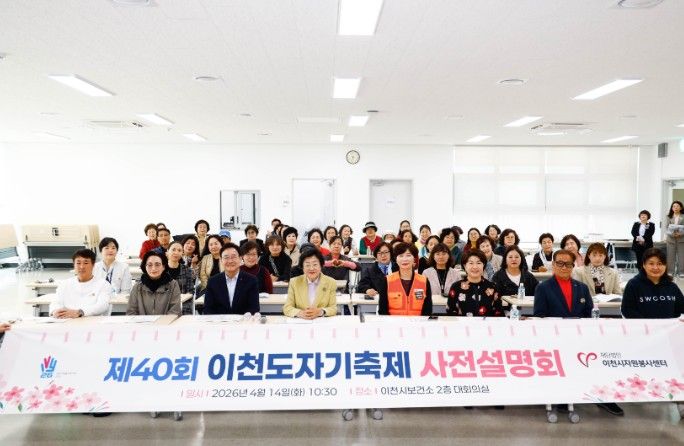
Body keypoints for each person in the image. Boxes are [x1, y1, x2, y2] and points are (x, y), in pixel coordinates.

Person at [622, 247, 684, 318]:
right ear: (644, 265)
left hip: (669, 325)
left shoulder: (672, 286)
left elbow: (681, 308)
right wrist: (649, 323)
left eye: (660, 264)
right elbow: (627, 310)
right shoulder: (633, 285)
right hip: (643, 325)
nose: (655, 267)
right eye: (651, 263)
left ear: (665, 266)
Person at [50, 249, 112, 318]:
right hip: (67, 321)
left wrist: (80, 312)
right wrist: (55, 311)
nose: (82, 267)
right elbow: (55, 302)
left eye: (86, 263)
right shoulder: (65, 284)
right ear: (74, 265)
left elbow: (102, 305)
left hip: (92, 321)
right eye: (78, 263)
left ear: (93, 265)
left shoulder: (103, 284)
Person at [204, 243, 260, 315]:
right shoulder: (213, 281)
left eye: (233, 257)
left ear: (240, 259)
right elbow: (208, 309)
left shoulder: (251, 280)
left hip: (243, 321)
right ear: (221, 260)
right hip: (219, 321)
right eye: (226, 257)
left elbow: (254, 308)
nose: (230, 261)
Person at [533, 249, 592, 318]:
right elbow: (539, 316)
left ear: (573, 266)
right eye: (560, 263)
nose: (564, 267)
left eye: (568, 264)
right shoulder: (542, 288)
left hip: (579, 324)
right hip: (554, 325)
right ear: (553, 264)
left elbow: (590, 314)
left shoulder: (583, 288)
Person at [378, 242, 432, 316]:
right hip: (393, 322)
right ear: (396, 259)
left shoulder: (424, 281)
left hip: (418, 322)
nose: (404, 259)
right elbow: (382, 310)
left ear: (414, 259)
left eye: (408, 255)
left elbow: (427, 309)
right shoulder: (387, 280)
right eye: (401, 256)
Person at [283, 248, 337, 318]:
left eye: (315, 264)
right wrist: (300, 313)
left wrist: (320, 312)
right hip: (301, 321)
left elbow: (333, 308)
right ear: (302, 267)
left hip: (321, 321)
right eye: (307, 265)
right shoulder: (294, 282)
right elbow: (287, 308)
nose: (311, 268)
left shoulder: (331, 282)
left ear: (321, 266)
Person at [446, 250, 503, 317]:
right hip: (463, 323)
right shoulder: (456, 287)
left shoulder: (492, 287)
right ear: (464, 266)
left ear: (483, 265)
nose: (475, 267)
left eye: (478, 263)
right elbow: (450, 313)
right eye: (471, 263)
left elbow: (499, 313)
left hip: (486, 323)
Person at [127, 250, 181, 316]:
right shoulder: (137, 286)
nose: (153, 268)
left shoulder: (173, 285)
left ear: (163, 267)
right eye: (149, 265)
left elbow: (175, 311)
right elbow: (131, 312)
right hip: (142, 322)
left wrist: (163, 322)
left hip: (166, 322)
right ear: (145, 266)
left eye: (157, 265)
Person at [664, 200, 684, 277]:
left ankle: (681, 272)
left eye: (677, 206)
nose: (675, 208)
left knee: (682, 256)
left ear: (681, 208)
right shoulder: (668, 216)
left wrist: (680, 233)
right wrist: (672, 234)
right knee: (670, 256)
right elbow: (666, 227)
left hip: (681, 239)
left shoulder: (683, 216)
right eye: (674, 206)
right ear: (672, 208)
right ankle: (670, 272)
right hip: (671, 239)